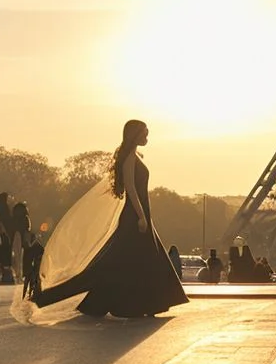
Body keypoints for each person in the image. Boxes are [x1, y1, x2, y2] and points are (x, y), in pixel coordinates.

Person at [32, 120, 188, 318]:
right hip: (135, 215)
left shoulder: (132, 156)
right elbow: (131, 189)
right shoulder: (130, 158)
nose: (147, 137)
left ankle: (137, 304)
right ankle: (145, 303)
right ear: (135, 135)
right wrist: (141, 216)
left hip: (138, 214)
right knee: (128, 261)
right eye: (144, 133)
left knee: (129, 261)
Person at [21, 232, 44, 300]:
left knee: (32, 281)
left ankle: (31, 294)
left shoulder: (34, 247)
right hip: (31, 268)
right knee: (30, 281)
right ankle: (28, 295)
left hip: (34, 268)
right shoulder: (29, 248)